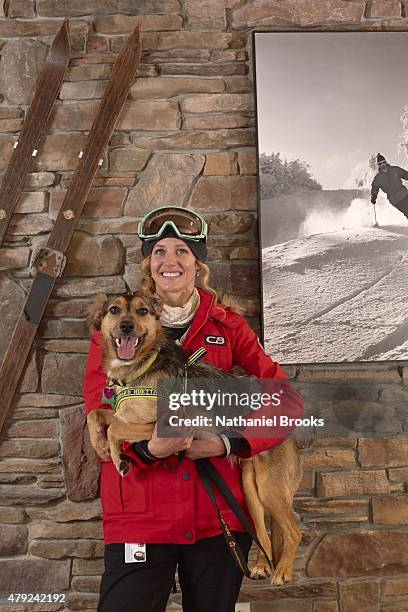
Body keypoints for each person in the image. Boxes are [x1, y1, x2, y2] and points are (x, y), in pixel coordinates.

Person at [83, 205, 302, 612]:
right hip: (142, 513)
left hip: (215, 513)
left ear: (197, 261)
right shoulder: (116, 329)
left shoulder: (228, 326)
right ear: (148, 263)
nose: (171, 261)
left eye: (182, 251)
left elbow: (287, 402)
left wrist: (228, 442)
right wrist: (149, 449)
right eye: (160, 251)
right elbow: (102, 407)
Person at [371, 153, 408, 219]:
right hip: (395, 199)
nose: (382, 165)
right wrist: (374, 196)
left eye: (383, 162)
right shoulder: (378, 178)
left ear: (386, 162)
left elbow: (405, 174)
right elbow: (375, 187)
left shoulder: (395, 169)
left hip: (404, 194)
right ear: (378, 165)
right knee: (407, 211)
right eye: (380, 164)